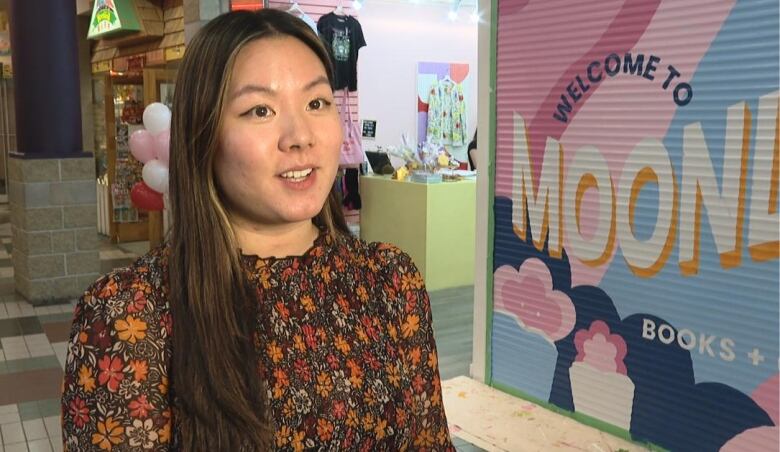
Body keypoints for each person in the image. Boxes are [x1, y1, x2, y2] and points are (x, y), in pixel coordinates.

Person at [61, 9, 454, 452]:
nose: (300, 136)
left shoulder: (391, 279)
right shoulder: (128, 316)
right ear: (203, 135)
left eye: (317, 102)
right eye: (260, 110)